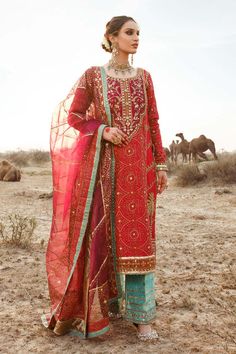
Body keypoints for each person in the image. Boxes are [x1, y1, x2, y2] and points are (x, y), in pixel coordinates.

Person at [41, 15, 168, 342]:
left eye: (139, 32)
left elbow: (153, 121)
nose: (136, 38)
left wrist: (161, 165)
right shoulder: (93, 77)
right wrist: (102, 130)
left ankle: (142, 316)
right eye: (129, 32)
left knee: (139, 243)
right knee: (102, 240)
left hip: (139, 172)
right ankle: (106, 305)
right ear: (112, 37)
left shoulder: (145, 78)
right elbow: (74, 116)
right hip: (103, 171)